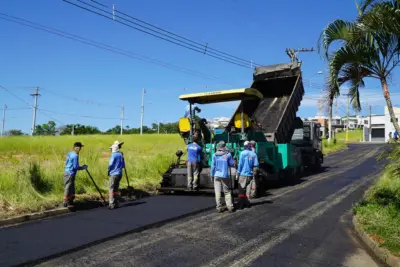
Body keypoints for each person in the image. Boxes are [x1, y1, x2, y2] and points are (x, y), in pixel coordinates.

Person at [210, 141, 235, 213]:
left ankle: (219, 207)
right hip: (224, 175)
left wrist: (212, 175)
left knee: (217, 192)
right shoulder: (228, 155)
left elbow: (213, 166)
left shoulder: (214, 155)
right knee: (226, 192)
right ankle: (230, 207)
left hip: (216, 175)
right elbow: (231, 164)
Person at [63, 142, 88, 207]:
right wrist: (83, 167)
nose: (80, 149)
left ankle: (70, 201)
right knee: (68, 187)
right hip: (70, 173)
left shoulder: (70, 153)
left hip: (66, 172)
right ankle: (65, 201)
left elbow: (66, 162)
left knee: (71, 187)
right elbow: (76, 167)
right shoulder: (75, 156)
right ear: (77, 148)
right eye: (80, 148)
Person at [236, 140, 259, 209]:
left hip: (243, 174)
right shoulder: (253, 154)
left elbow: (240, 164)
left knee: (241, 189)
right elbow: (256, 165)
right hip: (250, 175)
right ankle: (247, 203)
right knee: (248, 190)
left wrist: (238, 173)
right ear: (250, 146)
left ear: (244, 146)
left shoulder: (242, 153)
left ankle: (241, 204)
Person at [108, 140, 125, 210]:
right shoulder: (120, 155)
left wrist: (109, 170)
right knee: (116, 189)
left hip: (114, 174)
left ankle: (111, 203)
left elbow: (111, 164)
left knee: (111, 188)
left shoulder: (113, 155)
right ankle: (116, 203)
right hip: (120, 173)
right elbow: (123, 165)